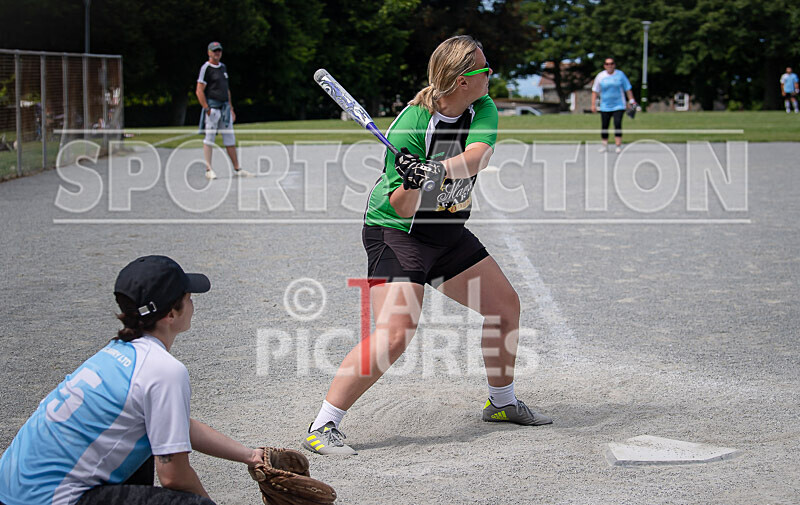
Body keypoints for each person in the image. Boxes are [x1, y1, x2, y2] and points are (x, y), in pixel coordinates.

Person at [300, 35, 552, 457]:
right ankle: (323, 425)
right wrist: (415, 181)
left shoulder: (481, 107)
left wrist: (432, 171)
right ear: (458, 80)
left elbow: (478, 156)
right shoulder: (411, 125)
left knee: (505, 306)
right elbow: (398, 205)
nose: (490, 75)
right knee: (396, 333)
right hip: (398, 234)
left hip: (446, 232)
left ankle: (502, 404)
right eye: (482, 70)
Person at [0, 256, 264, 505]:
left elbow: (173, 424)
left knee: (148, 436)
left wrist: (249, 456)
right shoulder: (164, 370)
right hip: (52, 499)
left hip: (14, 492)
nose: (193, 304)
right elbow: (174, 477)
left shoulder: (117, 351)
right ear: (171, 313)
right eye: (189, 297)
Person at [196, 41, 252, 180]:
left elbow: (226, 90)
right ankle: (209, 169)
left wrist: (231, 108)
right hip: (213, 108)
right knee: (209, 138)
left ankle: (237, 168)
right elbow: (199, 90)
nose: (217, 53)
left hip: (225, 108)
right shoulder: (206, 68)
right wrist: (207, 108)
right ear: (209, 52)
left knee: (230, 139)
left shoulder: (223, 68)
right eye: (215, 51)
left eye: (219, 51)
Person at [591, 58, 636, 153]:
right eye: (607, 64)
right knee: (604, 126)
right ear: (604, 65)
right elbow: (595, 91)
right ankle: (604, 145)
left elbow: (628, 89)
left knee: (618, 124)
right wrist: (593, 104)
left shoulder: (620, 75)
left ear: (614, 65)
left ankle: (618, 145)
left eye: (611, 63)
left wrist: (632, 101)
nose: (609, 65)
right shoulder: (600, 76)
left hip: (619, 105)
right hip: (605, 105)